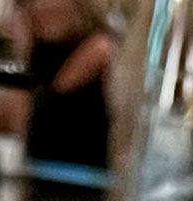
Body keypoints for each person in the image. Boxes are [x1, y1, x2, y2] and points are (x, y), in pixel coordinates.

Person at [7, 0, 116, 173]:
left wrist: (25, 57)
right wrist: (22, 55)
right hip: (40, 176)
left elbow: (50, 105)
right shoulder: (37, 54)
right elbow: (21, 133)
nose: (43, 5)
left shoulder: (99, 44)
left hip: (85, 181)